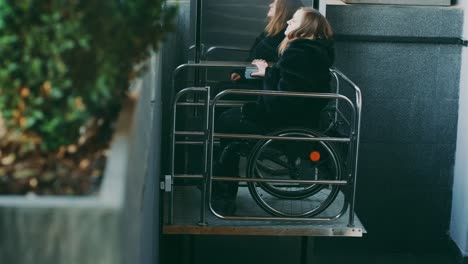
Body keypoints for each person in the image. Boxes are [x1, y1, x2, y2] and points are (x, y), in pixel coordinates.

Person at [211, 7, 335, 215]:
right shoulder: (310, 51)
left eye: (294, 21)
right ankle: (223, 188)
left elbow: (282, 101)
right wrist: (267, 73)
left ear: (305, 29)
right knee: (229, 121)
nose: (288, 23)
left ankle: (224, 193)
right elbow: (290, 88)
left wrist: (266, 75)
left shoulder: (300, 52)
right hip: (295, 119)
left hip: (283, 122)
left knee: (226, 122)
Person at [223, 0, 304, 88]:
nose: (270, 5)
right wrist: (241, 72)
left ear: (284, 9)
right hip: (255, 77)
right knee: (222, 86)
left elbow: (279, 69)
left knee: (222, 89)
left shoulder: (285, 36)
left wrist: (256, 72)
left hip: (263, 83)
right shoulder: (270, 32)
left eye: (275, 3)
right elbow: (254, 57)